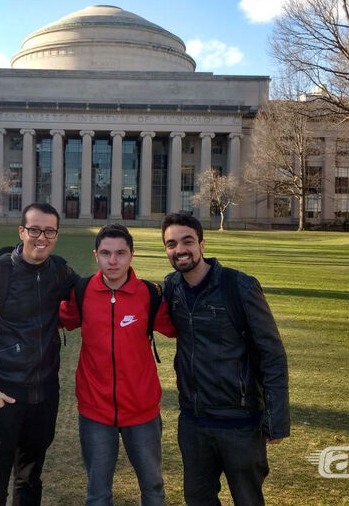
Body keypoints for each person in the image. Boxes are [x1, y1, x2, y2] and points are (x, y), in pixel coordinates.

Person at [0, 203, 79, 506]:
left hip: (43, 399)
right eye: (34, 229)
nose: (41, 237)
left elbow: (94, 290)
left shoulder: (59, 271)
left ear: (56, 235)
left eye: (49, 231)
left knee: (30, 482)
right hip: (2, 398)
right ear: (21, 231)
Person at [160, 212, 290, 506]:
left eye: (187, 241)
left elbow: (272, 353)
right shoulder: (172, 288)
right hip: (193, 422)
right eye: (171, 244)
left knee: (248, 499)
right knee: (198, 499)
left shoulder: (239, 286)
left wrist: (277, 419)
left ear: (202, 244)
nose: (180, 250)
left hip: (239, 423)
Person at [60, 224, 176, 506]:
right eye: (106, 253)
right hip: (95, 411)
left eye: (121, 253)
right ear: (96, 255)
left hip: (142, 411)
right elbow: (58, 318)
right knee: (98, 493)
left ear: (132, 255)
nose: (113, 261)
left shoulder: (149, 294)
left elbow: (179, 328)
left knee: (153, 487)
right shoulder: (82, 291)